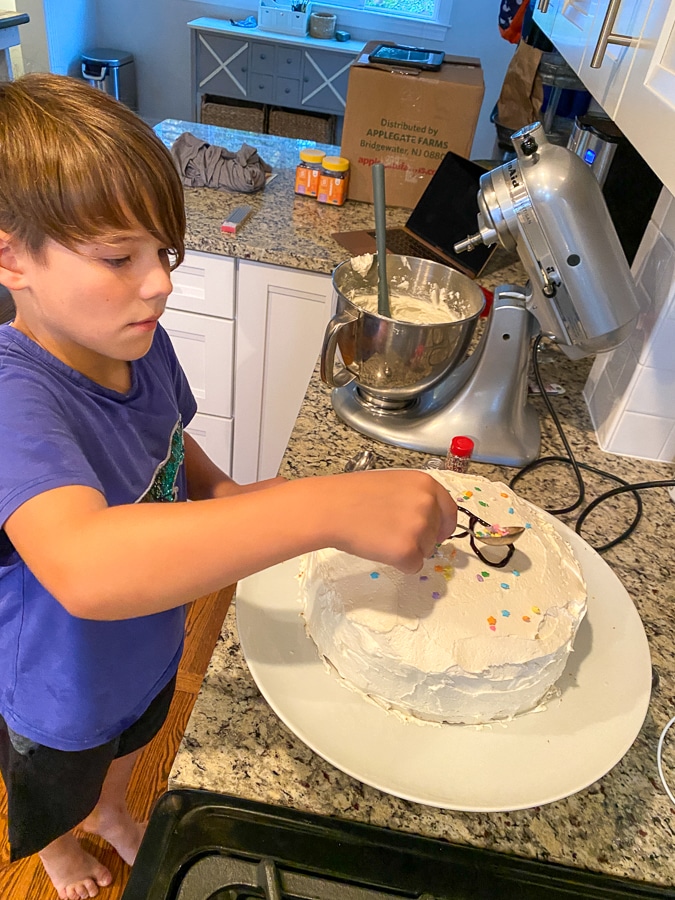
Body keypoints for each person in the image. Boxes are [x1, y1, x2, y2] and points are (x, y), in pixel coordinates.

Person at [0, 73, 457, 900]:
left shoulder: (138, 344)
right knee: (57, 784)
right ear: (10, 258)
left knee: (134, 739)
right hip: (58, 686)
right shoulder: (13, 399)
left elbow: (177, 457)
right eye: (120, 258)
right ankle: (59, 848)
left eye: (164, 254)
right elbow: (85, 565)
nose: (160, 284)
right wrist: (319, 508)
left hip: (148, 646)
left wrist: (237, 496)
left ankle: (111, 808)